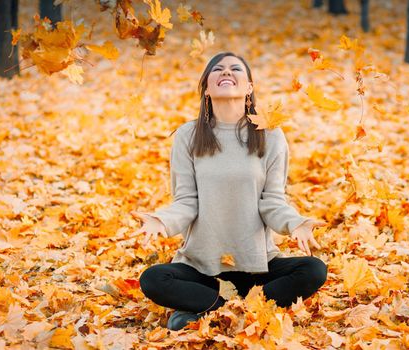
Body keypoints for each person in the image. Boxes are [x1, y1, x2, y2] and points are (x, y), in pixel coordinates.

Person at [134, 52, 328, 331]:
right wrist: (161, 221)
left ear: (248, 87)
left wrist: (295, 223)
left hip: (257, 268)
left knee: (313, 270)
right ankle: (239, 311)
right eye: (218, 70)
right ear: (207, 88)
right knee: (154, 279)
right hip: (203, 269)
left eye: (235, 68)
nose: (226, 72)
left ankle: (205, 312)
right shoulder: (189, 135)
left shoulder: (270, 135)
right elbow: (187, 201)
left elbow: (272, 201)